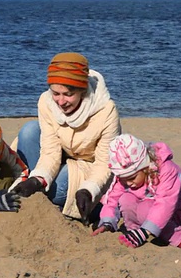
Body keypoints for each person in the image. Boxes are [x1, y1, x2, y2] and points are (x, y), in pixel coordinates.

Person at [11, 52, 121, 226]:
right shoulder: (46, 103)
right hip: (61, 156)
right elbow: (50, 151)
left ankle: (85, 205)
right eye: (56, 93)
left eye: (68, 94)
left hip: (89, 167)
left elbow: (104, 163)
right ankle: (30, 186)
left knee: (59, 185)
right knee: (29, 131)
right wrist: (37, 179)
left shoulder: (107, 111)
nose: (60, 101)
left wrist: (88, 189)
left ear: (82, 90)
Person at [92, 133, 181, 249]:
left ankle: (180, 237)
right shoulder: (125, 176)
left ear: (144, 167)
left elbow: (165, 203)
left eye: (132, 178)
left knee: (144, 209)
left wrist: (145, 232)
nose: (128, 183)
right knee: (125, 199)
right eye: (124, 179)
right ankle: (135, 231)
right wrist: (107, 222)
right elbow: (113, 199)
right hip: (145, 203)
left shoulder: (167, 169)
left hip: (176, 210)